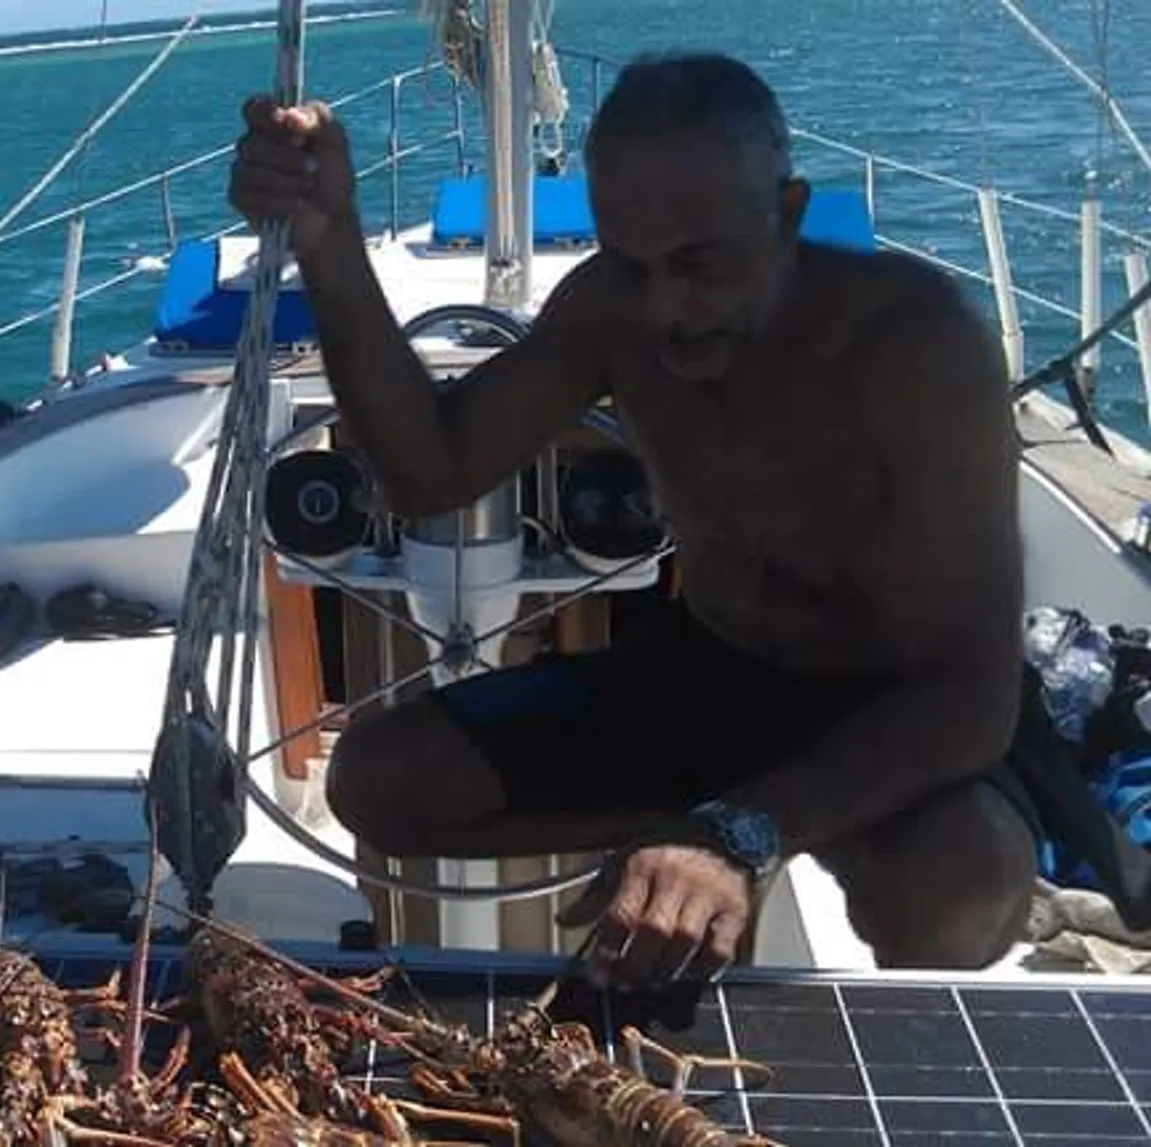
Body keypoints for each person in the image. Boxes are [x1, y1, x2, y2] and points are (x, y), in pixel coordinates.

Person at [227, 52, 1042, 988]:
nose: (664, 309)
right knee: (379, 780)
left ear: (786, 215)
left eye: (699, 265)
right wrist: (329, 242)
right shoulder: (609, 310)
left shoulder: (916, 344)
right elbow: (428, 472)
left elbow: (974, 695)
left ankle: (725, 851)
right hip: (710, 669)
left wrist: (740, 831)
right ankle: (675, 845)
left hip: (889, 704)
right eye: (629, 262)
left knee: (956, 889)